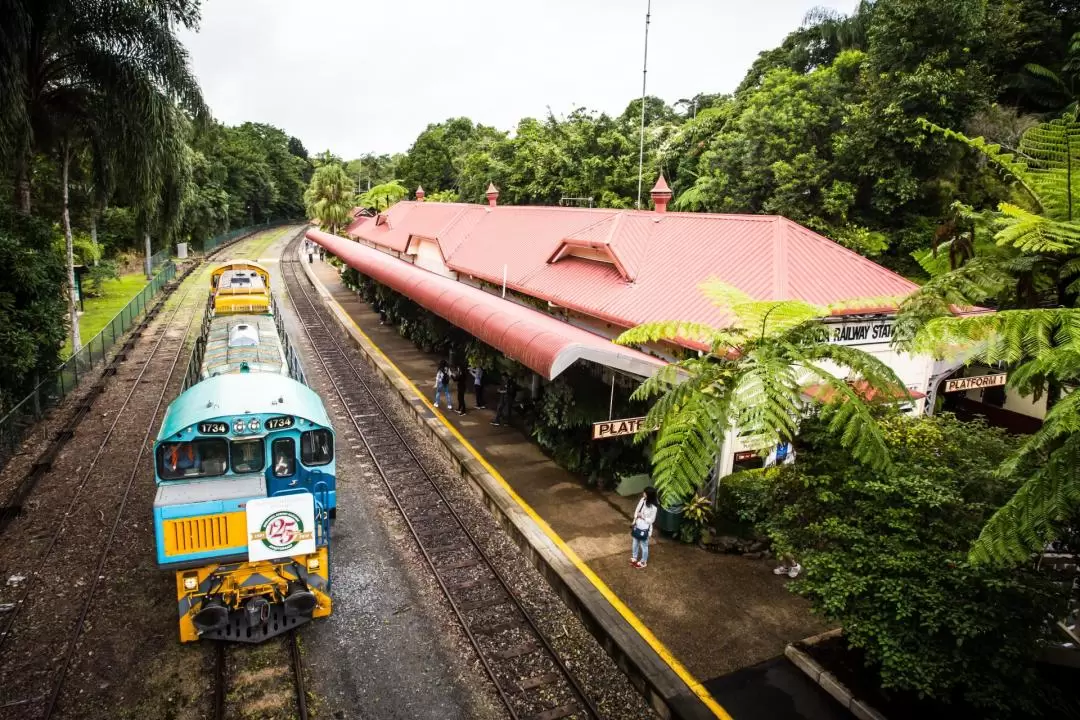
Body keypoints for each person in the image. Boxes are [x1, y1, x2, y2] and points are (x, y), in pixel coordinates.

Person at [630, 487, 659, 569]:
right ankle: (634, 557)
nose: (643, 494)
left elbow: (651, 520)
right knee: (635, 542)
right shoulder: (642, 500)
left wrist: (642, 517)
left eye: (645, 493)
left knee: (644, 545)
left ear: (649, 495)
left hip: (645, 529)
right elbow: (637, 510)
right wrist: (634, 519)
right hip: (638, 525)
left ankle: (643, 562)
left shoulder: (654, 507)